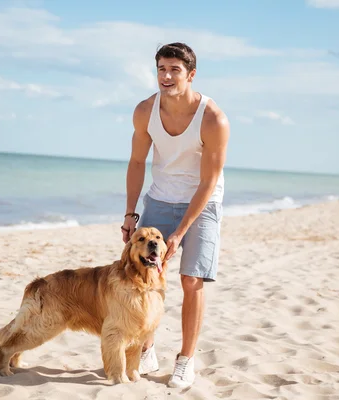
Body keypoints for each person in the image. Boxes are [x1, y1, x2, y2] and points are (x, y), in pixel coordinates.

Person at [120, 42, 230, 389]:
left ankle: (185, 360)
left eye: (175, 70)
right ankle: (146, 348)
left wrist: (179, 234)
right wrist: (130, 214)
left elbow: (209, 180)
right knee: (143, 276)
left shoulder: (213, 119)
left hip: (204, 202)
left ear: (191, 74)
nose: (166, 77)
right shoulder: (144, 111)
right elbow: (137, 162)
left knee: (191, 280)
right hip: (160, 198)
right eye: (161, 69)